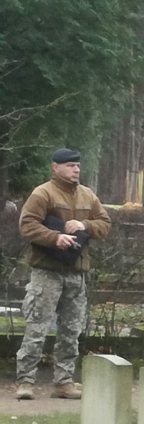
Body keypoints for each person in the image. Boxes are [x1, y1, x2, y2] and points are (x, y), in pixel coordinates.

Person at [16, 148, 111, 400]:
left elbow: (105, 224)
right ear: (55, 167)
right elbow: (27, 225)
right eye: (70, 166)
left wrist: (85, 225)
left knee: (71, 330)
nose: (76, 170)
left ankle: (64, 382)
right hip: (46, 272)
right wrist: (55, 237)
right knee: (37, 327)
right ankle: (25, 381)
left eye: (77, 165)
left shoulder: (88, 195)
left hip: (76, 273)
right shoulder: (42, 193)